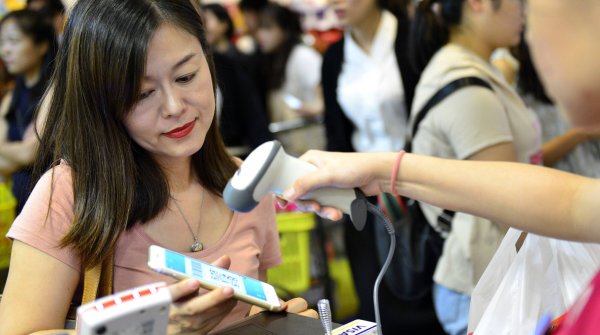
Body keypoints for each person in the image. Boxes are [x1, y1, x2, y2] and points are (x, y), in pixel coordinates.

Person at [283, 0, 600, 333]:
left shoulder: (459, 67)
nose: (529, 28)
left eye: (532, 7)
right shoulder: (463, 74)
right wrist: (381, 171)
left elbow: (563, 201)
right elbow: (571, 202)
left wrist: (383, 171)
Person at [0, 0, 313, 334]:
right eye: (142, 93)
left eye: (186, 76)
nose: (174, 106)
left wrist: (274, 325)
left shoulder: (246, 184)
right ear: (101, 102)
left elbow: (246, 316)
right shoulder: (71, 192)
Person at [408, 1, 537, 333]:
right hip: (486, 280)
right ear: (477, 4)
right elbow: (510, 201)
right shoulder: (465, 85)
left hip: (492, 271)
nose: (523, 11)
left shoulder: (471, 68)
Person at [321, 0, 442, 332]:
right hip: (364, 191)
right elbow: (337, 134)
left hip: (421, 183)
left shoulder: (412, 36)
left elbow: (435, 117)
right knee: (375, 297)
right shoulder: (334, 57)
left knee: (428, 290)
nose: (333, 4)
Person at [0, 8, 57, 214]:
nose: (5, 50)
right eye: (2, 42)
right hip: (20, 204)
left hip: (49, 207)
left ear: (41, 45)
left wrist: (16, 153)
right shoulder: (10, 97)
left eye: (13, 41)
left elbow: (30, 152)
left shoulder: (55, 89)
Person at [202, 3, 272, 157]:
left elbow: (253, 112)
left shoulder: (233, 63)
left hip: (237, 147)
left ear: (224, 24)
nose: (204, 26)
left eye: (207, 20)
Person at [256, 3, 325, 157]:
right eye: (259, 28)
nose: (260, 35)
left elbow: (324, 96)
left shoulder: (302, 55)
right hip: (294, 147)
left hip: (314, 147)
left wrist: (313, 109)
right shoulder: (274, 59)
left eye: (268, 28)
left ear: (285, 30)